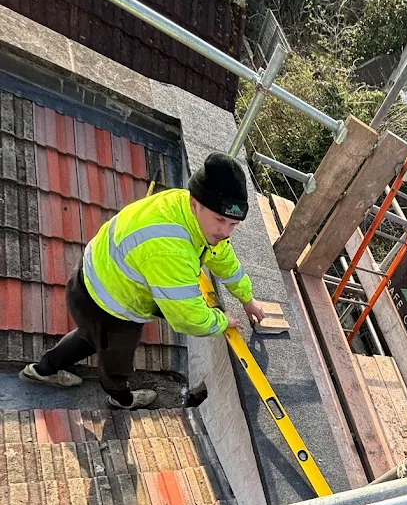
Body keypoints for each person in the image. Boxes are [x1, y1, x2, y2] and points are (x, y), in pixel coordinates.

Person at [20, 152, 266, 409]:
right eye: (220, 220)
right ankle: (121, 399)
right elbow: (188, 318)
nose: (225, 231)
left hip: (92, 277)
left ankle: (41, 371)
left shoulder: (183, 206)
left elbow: (222, 256)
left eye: (233, 224)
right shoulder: (170, 247)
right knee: (117, 360)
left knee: (90, 335)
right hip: (109, 304)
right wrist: (221, 321)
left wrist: (246, 298)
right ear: (196, 203)